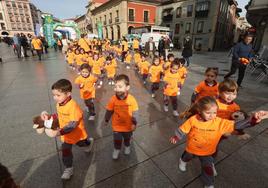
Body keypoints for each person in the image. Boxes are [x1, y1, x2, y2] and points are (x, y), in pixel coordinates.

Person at [170, 96, 268, 188]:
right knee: (187, 157)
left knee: (208, 169)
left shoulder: (219, 122)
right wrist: (176, 136)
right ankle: (182, 161)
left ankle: (208, 183)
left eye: (214, 112)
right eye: (208, 113)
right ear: (200, 111)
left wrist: (254, 119)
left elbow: (237, 125)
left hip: (207, 152)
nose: (212, 116)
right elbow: (183, 129)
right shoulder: (193, 120)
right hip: (192, 148)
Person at [40, 79, 94, 180]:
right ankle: (69, 168)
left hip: (77, 134)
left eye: (58, 95)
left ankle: (88, 143)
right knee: (65, 151)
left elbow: (72, 125)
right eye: (54, 95)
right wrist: (49, 116)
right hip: (65, 136)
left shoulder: (73, 106)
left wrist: (58, 132)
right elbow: (59, 116)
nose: (55, 98)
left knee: (81, 144)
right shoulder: (60, 104)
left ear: (68, 93)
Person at [102, 74, 139, 160]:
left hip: (128, 126)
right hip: (117, 126)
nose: (117, 89)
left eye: (120, 86)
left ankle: (127, 146)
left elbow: (135, 112)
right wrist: (106, 120)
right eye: (115, 86)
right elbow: (109, 111)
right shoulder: (113, 99)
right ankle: (117, 149)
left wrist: (134, 123)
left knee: (127, 138)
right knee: (117, 140)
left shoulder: (132, 99)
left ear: (127, 87)